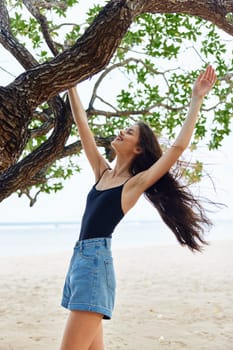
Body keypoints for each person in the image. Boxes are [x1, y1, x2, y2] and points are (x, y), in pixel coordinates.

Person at [60, 65, 216, 350]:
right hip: (79, 262)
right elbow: (82, 125)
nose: (120, 132)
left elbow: (177, 148)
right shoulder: (103, 173)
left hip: (94, 266)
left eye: (128, 132)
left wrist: (197, 99)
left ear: (139, 149)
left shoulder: (133, 185)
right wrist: (70, 82)